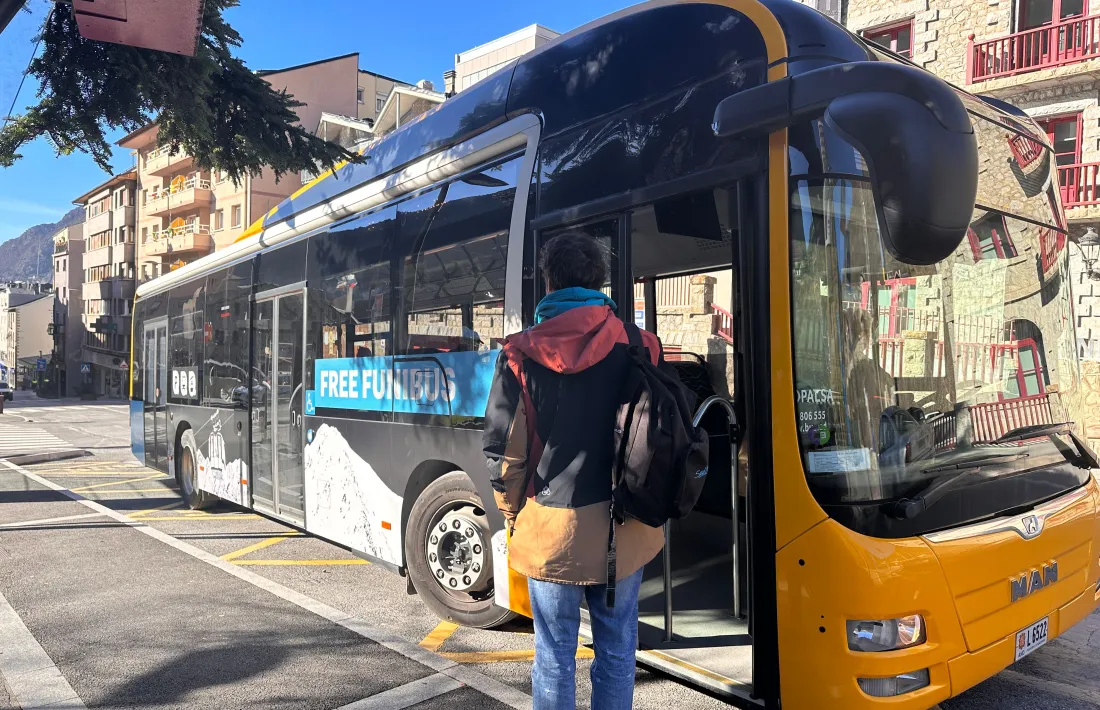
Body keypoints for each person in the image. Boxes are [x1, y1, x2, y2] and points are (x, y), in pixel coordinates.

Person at [482, 232, 664, 710]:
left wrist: (511, 516)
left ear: (549, 280)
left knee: (555, 654)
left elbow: (506, 455)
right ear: (600, 281)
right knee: (618, 649)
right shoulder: (641, 344)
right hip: (626, 528)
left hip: (551, 530)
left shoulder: (518, 354)